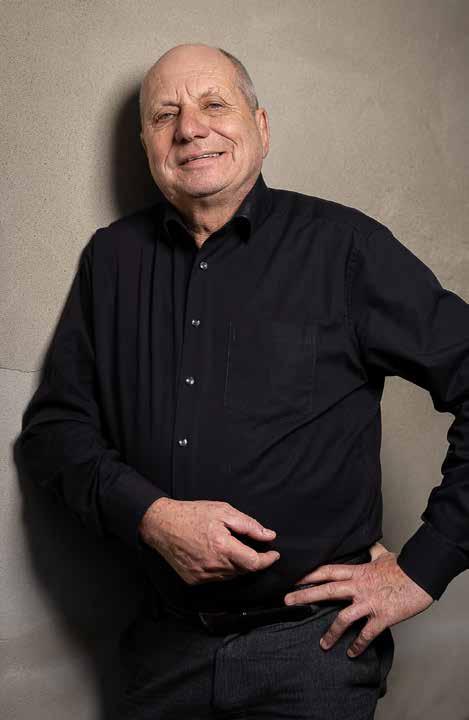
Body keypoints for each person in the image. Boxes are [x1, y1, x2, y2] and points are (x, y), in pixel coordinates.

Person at [17, 42, 469, 719]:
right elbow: (54, 433)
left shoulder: (344, 248)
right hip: (161, 653)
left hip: (312, 652)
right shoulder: (111, 260)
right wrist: (149, 515)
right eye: (164, 115)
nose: (189, 128)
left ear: (260, 126)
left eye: (213, 104)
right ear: (146, 144)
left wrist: (422, 568)